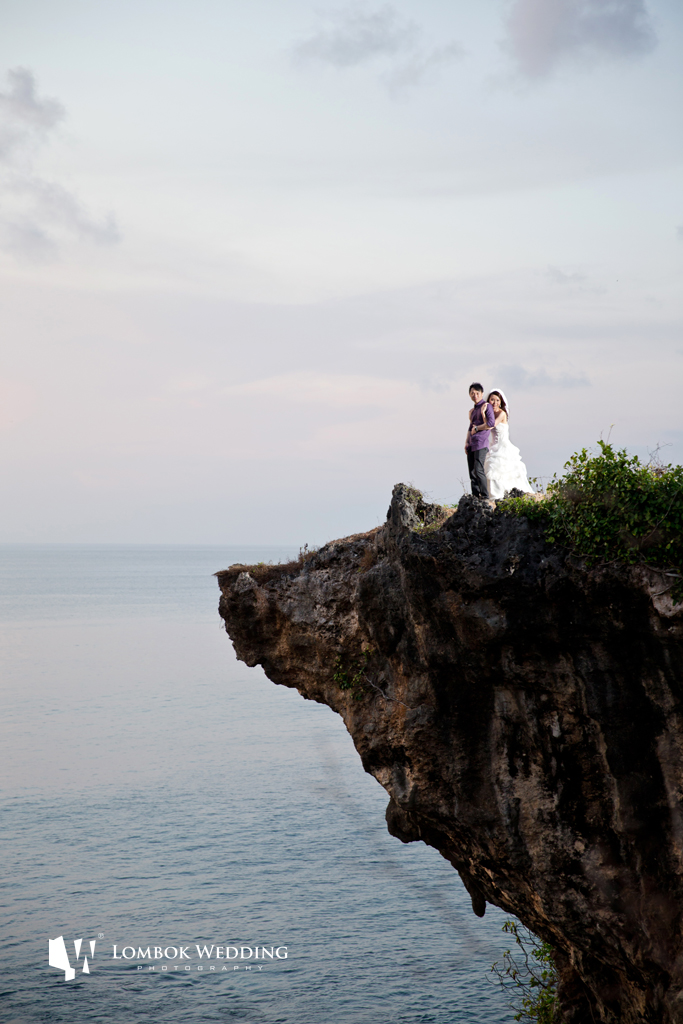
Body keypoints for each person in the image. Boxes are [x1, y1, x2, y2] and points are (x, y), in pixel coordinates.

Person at [484, 389, 533, 499]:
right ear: (488, 401)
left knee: (502, 471)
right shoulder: (490, 414)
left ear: (501, 402)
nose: (495, 402)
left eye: (497, 400)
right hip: (493, 446)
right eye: (492, 400)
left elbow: (491, 425)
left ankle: (502, 496)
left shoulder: (502, 413)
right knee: (490, 470)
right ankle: (493, 496)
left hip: (503, 447)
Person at [465, 382, 495, 498]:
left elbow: (491, 423)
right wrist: (466, 442)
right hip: (472, 443)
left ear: (482, 394)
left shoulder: (487, 406)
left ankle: (485, 496)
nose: (475, 395)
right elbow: (470, 427)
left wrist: (477, 428)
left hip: (481, 443)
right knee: (472, 472)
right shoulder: (473, 410)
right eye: (472, 393)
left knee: (478, 470)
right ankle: (475, 497)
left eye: (477, 393)